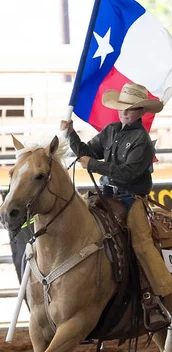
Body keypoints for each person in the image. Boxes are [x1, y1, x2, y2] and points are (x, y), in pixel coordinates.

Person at [60, 81, 172, 301]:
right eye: (122, 107)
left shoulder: (142, 141)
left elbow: (128, 174)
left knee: (141, 243)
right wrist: (71, 134)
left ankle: (162, 295)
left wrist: (93, 164)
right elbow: (87, 151)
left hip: (131, 199)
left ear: (140, 112)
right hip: (105, 194)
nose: (124, 112)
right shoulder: (111, 131)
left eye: (130, 108)